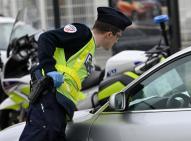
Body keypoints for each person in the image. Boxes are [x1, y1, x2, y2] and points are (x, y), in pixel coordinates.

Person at [19, 6, 131, 141]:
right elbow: (45, 38)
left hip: (60, 106)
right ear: (109, 34)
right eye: (117, 37)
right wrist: (50, 70)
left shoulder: (90, 48)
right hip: (50, 97)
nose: (117, 41)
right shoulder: (82, 33)